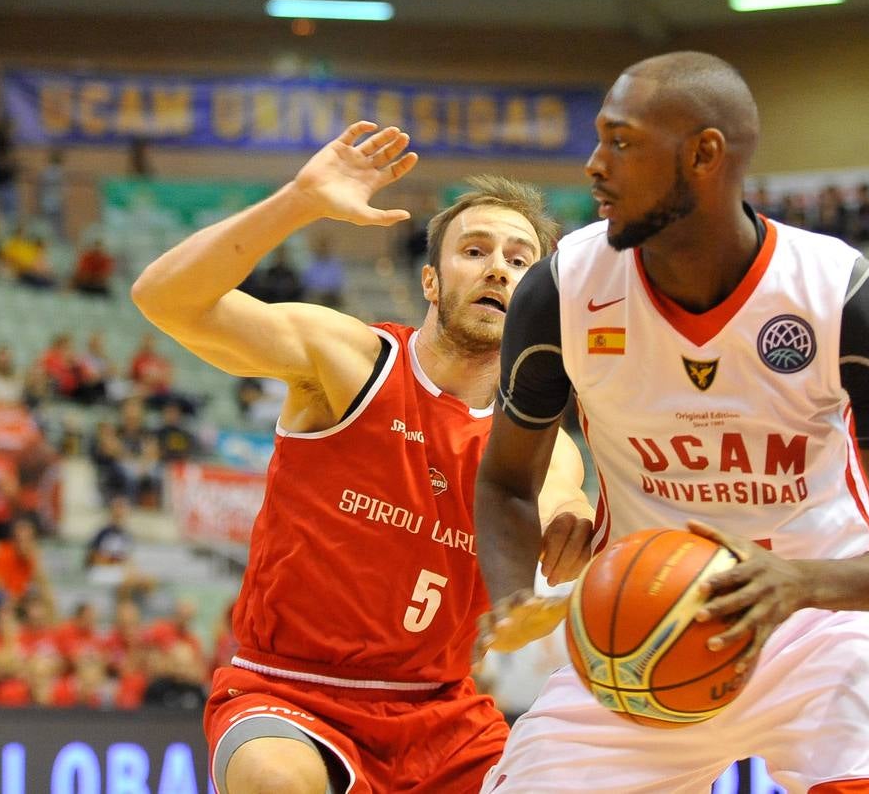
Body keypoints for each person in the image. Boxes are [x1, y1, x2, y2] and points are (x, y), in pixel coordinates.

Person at [474, 52, 869, 793]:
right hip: (636, 631)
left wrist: (799, 582)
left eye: (621, 142)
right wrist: (518, 595)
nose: (595, 165)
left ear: (704, 154)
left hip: (819, 629)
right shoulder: (562, 291)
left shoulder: (843, 296)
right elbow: (506, 482)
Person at [131, 123, 590, 794]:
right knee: (276, 782)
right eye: (475, 250)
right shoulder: (349, 361)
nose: (498, 267)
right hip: (290, 694)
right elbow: (162, 298)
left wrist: (567, 547)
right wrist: (298, 200)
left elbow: (556, 509)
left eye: (520, 260)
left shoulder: (540, 444)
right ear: (430, 280)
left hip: (441, 713)